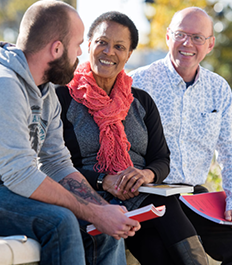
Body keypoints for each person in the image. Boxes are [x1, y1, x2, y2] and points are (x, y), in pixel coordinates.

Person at [0, 2, 140, 264]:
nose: (81, 53)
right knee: (60, 221)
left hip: (5, 195)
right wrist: (95, 213)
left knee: (105, 227)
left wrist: (104, 210)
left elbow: (57, 163)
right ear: (57, 48)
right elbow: (21, 174)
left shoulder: (45, 91)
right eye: (78, 45)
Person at [56, 11, 208, 264]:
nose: (109, 51)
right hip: (91, 196)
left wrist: (147, 175)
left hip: (141, 195)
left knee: (158, 241)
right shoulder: (63, 97)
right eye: (102, 42)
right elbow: (54, 162)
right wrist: (105, 180)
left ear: (128, 55)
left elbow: (161, 159)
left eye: (119, 46)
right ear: (89, 44)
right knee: (166, 210)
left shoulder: (141, 101)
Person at [129, 7, 232, 264]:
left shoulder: (218, 88)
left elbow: (229, 149)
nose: (188, 43)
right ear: (167, 37)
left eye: (198, 37)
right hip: (149, 199)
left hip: (194, 199)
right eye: (181, 35)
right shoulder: (137, 84)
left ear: (210, 44)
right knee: (164, 256)